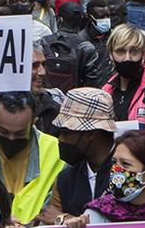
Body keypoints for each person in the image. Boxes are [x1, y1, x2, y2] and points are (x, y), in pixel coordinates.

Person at [0, 91, 63, 225]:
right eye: (4, 132)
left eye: (20, 133)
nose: (11, 138)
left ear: (34, 121)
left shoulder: (56, 152)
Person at [51, 88, 119, 217]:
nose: (60, 139)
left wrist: (70, 220)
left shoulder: (129, 171)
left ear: (91, 134)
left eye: (66, 132)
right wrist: (62, 220)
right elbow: (52, 218)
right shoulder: (65, 179)